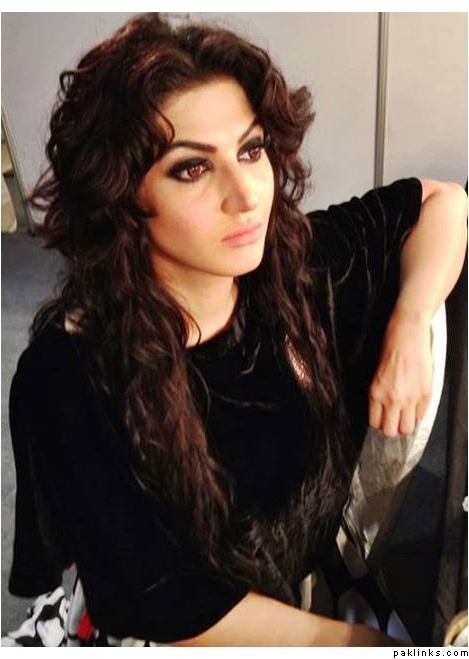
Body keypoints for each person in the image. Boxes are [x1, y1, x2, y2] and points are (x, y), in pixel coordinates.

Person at [6, 13, 467, 647]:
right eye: (192, 169)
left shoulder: (295, 267)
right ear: (121, 196)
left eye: (251, 151)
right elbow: (166, 605)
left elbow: (445, 203)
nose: (246, 195)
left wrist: (412, 321)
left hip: (298, 590)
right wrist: (360, 647)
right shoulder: (73, 374)